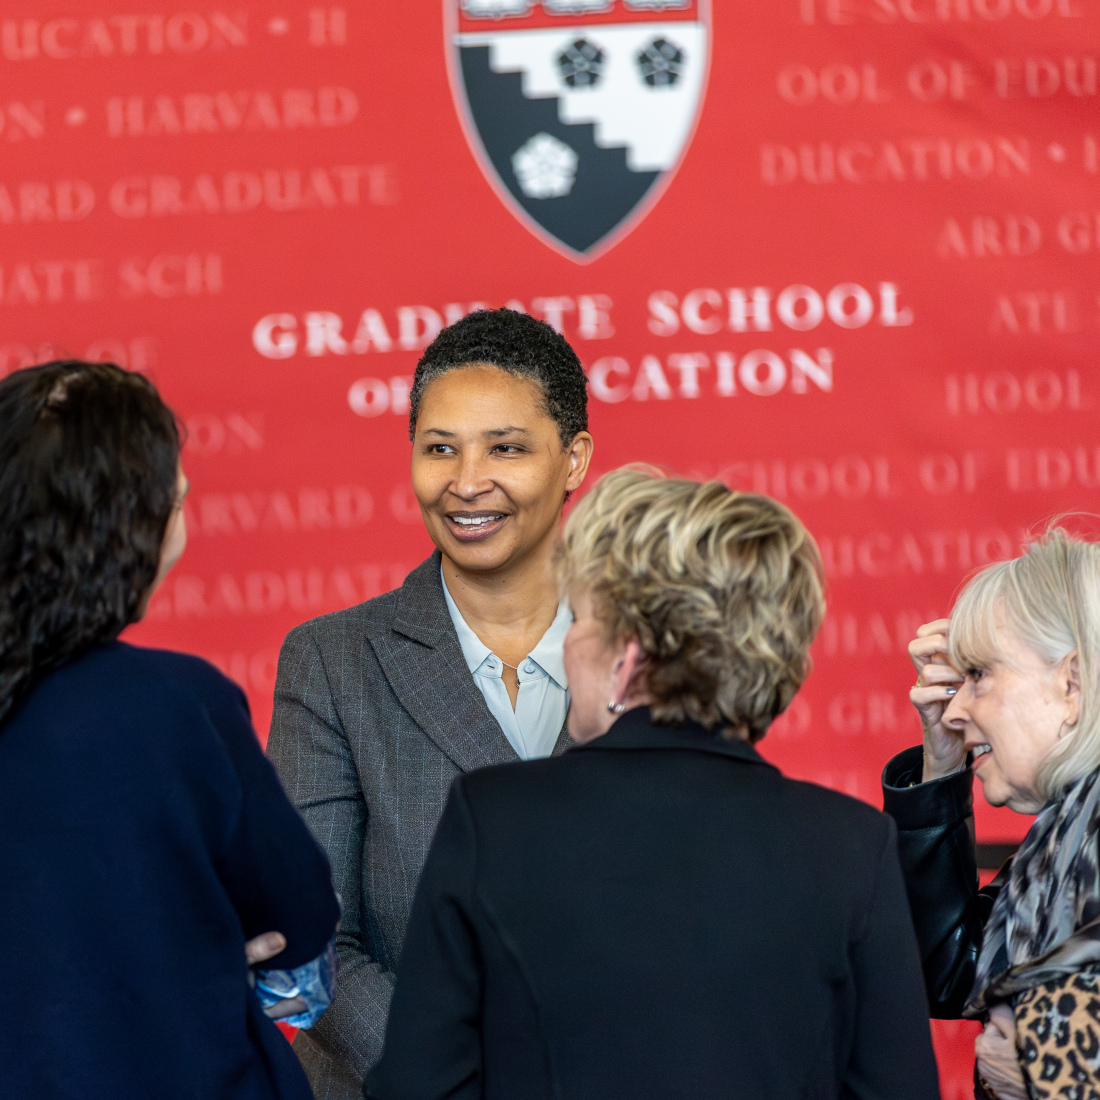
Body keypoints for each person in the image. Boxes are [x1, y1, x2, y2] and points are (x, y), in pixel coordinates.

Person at [365, 469, 941, 1100]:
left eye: (578, 619)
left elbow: (418, 1085)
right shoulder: (853, 846)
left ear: (629, 656)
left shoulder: (493, 817)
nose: (565, 646)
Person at [267, 308, 595, 1097]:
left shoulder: (648, 654)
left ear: (574, 459)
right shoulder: (332, 661)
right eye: (440, 448)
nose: (467, 481)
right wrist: (463, 1081)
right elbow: (311, 939)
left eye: (506, 448)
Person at [0, 360, 341, 1100]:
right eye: (176, 500)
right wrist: (196, 956)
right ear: (128, 531)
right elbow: (301, 921)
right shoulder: (177, 706)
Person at [884, 530, 1100, 1099]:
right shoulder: (1063, 833)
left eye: (978, 675)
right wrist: (941, 763)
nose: (953, 709)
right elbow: (952, 972)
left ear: (1072, 683)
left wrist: (1045, 1065)